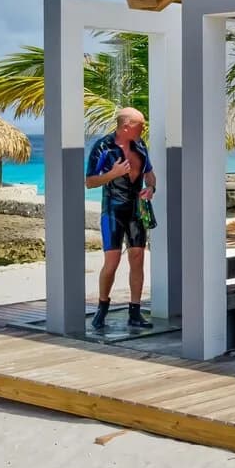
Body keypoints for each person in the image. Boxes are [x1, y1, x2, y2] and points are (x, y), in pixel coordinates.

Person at [85, 107, 157, 330]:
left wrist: (151, 188)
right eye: (140, 125)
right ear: (126, 126)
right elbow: (90, 182)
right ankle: (102, 307)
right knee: (112, 262)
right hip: (113, 208)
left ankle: (134, 311)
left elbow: (150, 174)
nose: (144, 128)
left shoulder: (141, 145)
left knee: (137, 258)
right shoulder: (103, 147)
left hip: (136, 208)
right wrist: (112, 174)